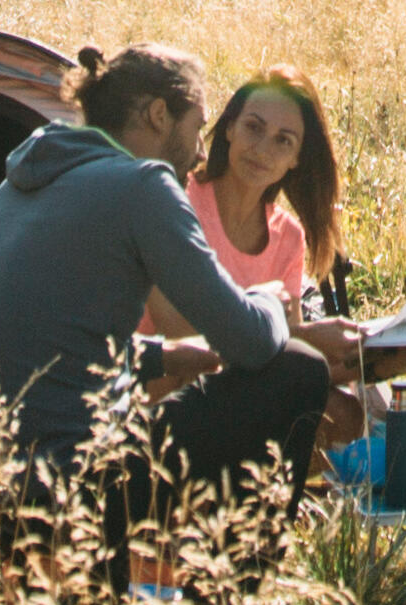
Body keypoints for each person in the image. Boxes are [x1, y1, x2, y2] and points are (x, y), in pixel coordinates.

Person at [0, 44, 361, 589]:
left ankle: (141, 575)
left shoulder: (23, 180)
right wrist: (270, 303)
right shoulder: (142, 185)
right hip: (74, 486)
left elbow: (53, 342)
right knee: (299, 371)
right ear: (159, 115)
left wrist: (165, 355)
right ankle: (221, 603)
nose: (195, 153)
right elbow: (253, 343)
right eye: (198, 126)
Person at [141, 66, 367, 445]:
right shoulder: (179, 201)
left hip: (235, 391)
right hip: (163, 387)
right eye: (254, 127)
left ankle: (268, 500)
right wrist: (306, 335)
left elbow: (287, 353)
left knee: (341, 413)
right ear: (229, 128)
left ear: (296, 158)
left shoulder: (287, 238)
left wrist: (352, 358)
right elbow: (182, 332)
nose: (262, 149)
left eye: (283, 141)